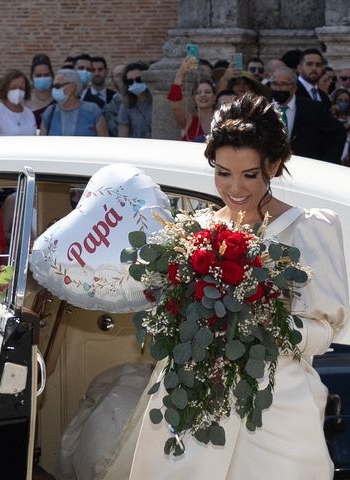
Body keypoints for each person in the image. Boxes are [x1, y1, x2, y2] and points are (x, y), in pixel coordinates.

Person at [130, 92, 349, 480]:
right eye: (223, 172)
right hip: (196, 402)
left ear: (275, 165)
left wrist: (259, 324)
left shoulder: (310, 229)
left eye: (249, 174)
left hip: (273, 410)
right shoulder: (196, 231)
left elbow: (323, 332)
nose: (235, 188)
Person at [270, 66, 345, 164]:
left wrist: (327, 162)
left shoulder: (313, 109)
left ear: (294, 88)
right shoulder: (262, 107)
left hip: (305, 167)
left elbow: (338, 131)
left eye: (284, 84)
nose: (278, 88)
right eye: (275, 84)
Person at [40, 68, 108, 137]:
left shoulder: (93, 111)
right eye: (53, 86)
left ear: (73, 86)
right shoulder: (50, 112)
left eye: (57, 86)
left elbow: (104, 141)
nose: (55, 89)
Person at [168, 56, 216, 142]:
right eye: (198, 93)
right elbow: (175, 106)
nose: (203, 95)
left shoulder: (222, 120)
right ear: (194, 98)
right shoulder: (188, 120)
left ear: (214, 97)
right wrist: (180, 75)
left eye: (207, 92)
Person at [117, 62, 152, 138]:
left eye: (139, 79)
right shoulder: (126, 105)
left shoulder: (156, 102)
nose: (135, 83)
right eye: (130, 81)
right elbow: (122, 135)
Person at [27, 54, 55, 129]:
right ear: (32, 77)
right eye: (38, 75)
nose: (43, 78)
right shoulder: (25, 100)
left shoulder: (59, 97)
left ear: (52, 76)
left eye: (46, 75)